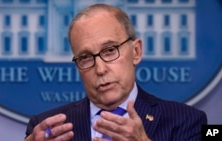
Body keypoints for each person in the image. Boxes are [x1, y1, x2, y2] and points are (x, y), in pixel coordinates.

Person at [25, 3, 207, 141]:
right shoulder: (48, 129)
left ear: (136, 52)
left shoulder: (187, 121)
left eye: (110, 50)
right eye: (86, 57)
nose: (101, 69)